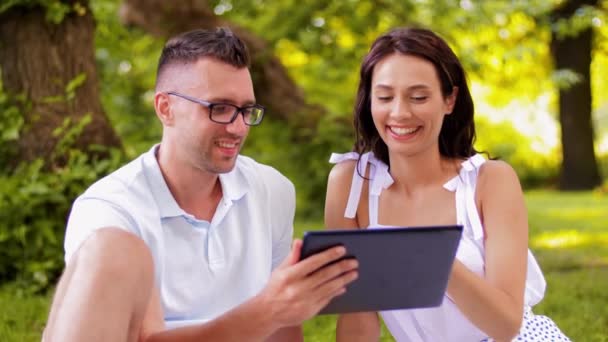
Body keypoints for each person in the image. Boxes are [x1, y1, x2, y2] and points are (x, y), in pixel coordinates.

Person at [43, 27, 359, 342]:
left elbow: (284, 327)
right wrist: (268, 310)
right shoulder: (110, 211)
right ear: (165, 108)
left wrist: (280, 309)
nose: (237, 127)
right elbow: (145, 338)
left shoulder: (271, 190)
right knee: (110, 247)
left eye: (246, 110)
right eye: (218, 108)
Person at [325, 27, 570, 341]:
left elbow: (506, 326)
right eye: (385, 97)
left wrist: (432, 257)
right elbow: (357, 314)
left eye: (418, 97)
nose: (399, 112)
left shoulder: (490, 181)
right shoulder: (350, 183)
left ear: (450, 99)